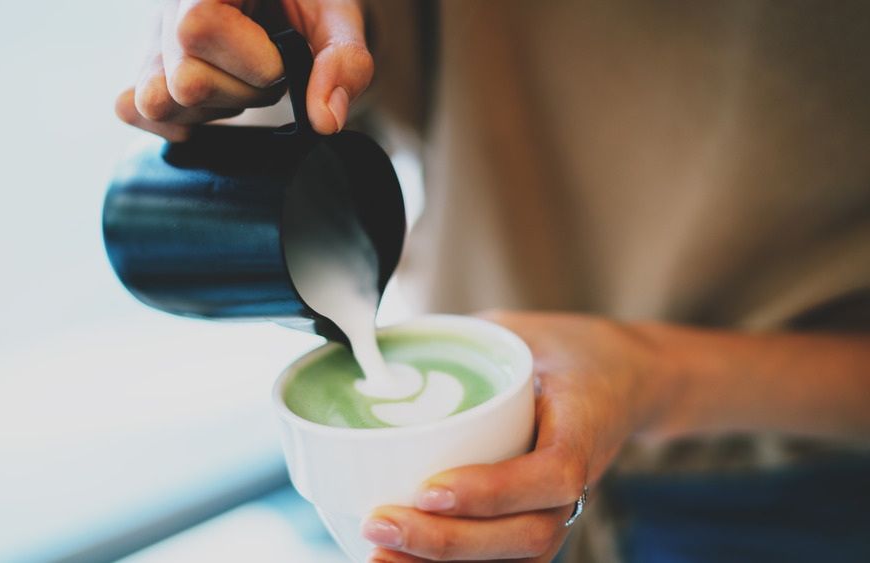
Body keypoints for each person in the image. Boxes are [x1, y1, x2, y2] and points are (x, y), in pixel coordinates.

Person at [115, 1, 870, 561]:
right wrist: (263, 39)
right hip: (469, 472)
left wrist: (656, 375)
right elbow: (339, 75)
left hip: (797, 503)